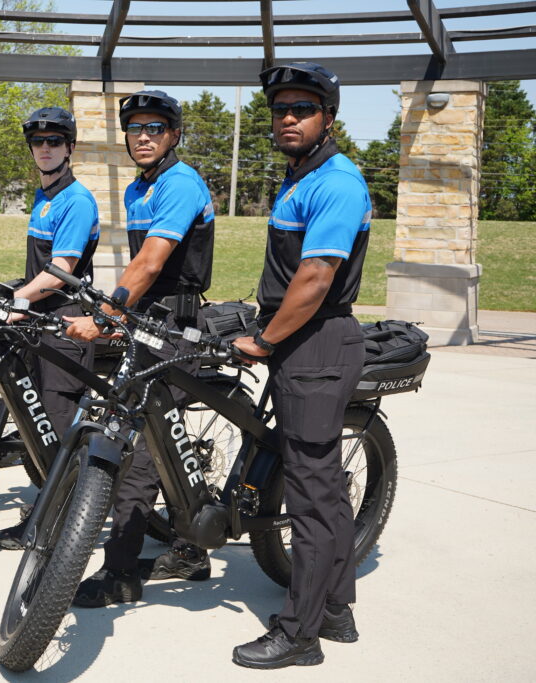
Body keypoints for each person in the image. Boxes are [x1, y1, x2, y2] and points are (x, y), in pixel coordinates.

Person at [229, 62, 369, 669]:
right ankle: (335, 608)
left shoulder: (336, 182)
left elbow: (314, 280)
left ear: (328, 118)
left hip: (315, 343)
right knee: (325, 488)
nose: (288, 118)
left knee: (311, 494)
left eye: (303, 109)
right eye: (281, 109)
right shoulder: (300, 177)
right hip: (303, 341)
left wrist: (263, 340)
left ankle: (299, 634)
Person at [65, 90, 217, 607]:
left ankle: (122, 573)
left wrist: (105, 314)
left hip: (176, 325)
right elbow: (137, 273)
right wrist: (117, 311)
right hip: (147, 320)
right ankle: (187, 546)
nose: (144, 136)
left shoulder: (179, 183)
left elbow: (151, 264)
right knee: (143, 439)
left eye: (156, 127)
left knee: (145, 451)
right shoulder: (137, 189)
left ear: (174, 134)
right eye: (135, 128)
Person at [0, 107, 99, 549]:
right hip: (39, 322)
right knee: (37, 428)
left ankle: (61, 525)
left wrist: (18, 301)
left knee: (56, 428)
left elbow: (61, 271)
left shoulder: (76, 200)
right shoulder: (45, 196)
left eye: (55, 141)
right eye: (39, 142)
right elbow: (37, 270)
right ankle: (47, 512)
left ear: (70, 148)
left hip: (65, 327)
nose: (46, 148)